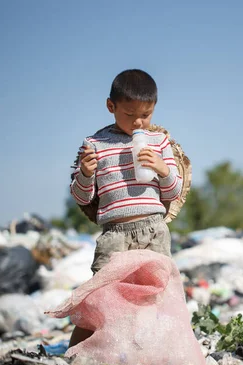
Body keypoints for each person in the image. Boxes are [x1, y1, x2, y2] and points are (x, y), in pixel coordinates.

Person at [68, 69, 183, 347]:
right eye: (129, 115)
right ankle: (75, 356)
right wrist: (84, 173)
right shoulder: (95, 145)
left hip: (154, 231)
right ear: (111, 107)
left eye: (146, 114)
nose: (139, 122)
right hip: (115, 234)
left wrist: (162, 168)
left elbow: (174, 191)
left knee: (154, 298)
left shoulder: (160, 142)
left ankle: (148, 354)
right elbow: (83, 197)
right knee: (101, 301)